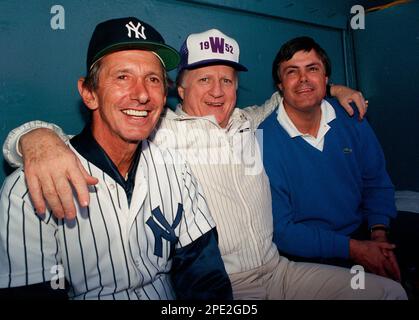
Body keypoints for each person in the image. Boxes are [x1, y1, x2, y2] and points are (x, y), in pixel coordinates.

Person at [2, 29, 407, 299]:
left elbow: (294, 93)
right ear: (178, 90)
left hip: (280, 270)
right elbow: (107, 126)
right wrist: (34, 138)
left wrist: (332, 87)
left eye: (227, 80)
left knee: (390, 294)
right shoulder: (163, 131)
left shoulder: (249, 120)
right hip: (227, 285)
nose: (217, 91)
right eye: (203, 79)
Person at [0, 17, 232, 300]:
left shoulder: (175, 168)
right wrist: (32, 136)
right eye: (123, 77)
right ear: (89, 93)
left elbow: (205, 277)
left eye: (153, 79)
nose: (142, 94)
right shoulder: (27, 190)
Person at [260, 36, 419, 291]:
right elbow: (281, 231)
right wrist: (357, 251)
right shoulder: (263, 140)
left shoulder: (351, 119)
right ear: (280, 85)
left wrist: (379, 234)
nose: (303, 79)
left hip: (362, 232)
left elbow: (376, 182)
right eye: (292, 72)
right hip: (310, 253)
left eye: (312, 69)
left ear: (326, 80)